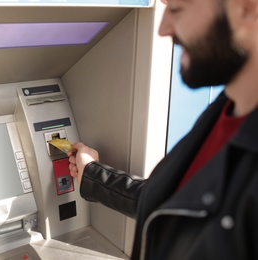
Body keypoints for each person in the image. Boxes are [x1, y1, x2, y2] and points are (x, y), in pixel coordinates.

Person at [67, 0, 258, 259]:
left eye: (178, 8)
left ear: (247, 7)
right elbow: (176, 201)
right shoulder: (227, 108)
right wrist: (93, 174)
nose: (163, 29)